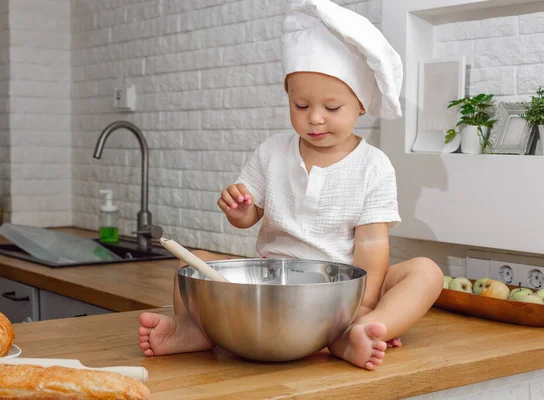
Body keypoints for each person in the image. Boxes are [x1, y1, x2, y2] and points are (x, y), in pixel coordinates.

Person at [139, 0, 444, 370]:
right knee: (194, 265)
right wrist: (240, 210)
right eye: (300, 105)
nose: (315, 118)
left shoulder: (373, 165)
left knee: (426, 272)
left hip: (345, 284)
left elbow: (372, 243)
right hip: (275, 282)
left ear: (361, 105)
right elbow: (250, 216)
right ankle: (196, 330)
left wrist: (360, 304)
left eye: (332, 108)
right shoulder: (272, 152)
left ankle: (359, 330)